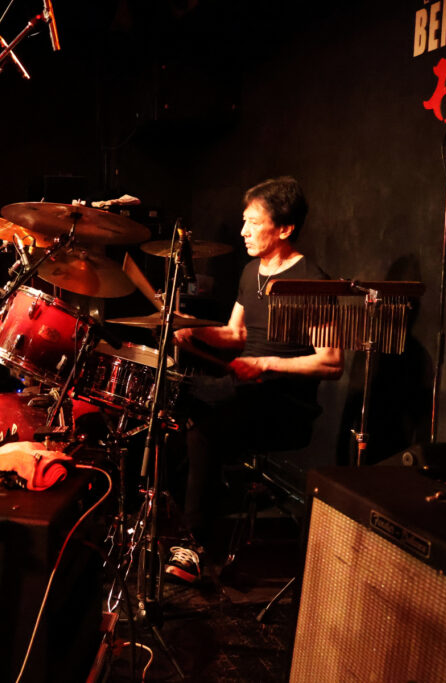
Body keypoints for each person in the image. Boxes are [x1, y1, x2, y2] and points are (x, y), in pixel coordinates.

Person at [167, 176, 343, 583]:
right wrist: (192, 329)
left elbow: (331, 362)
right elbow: (236, 334)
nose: (243, 231)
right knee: (169, 403)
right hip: (242, 389)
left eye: (253, 222)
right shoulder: (251, 271)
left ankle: (196, 544)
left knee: (204, 429)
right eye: (243, 221)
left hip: (284, 403)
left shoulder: (312, 282)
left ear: (284, 228)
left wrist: (265, 364)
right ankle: (197, 517)